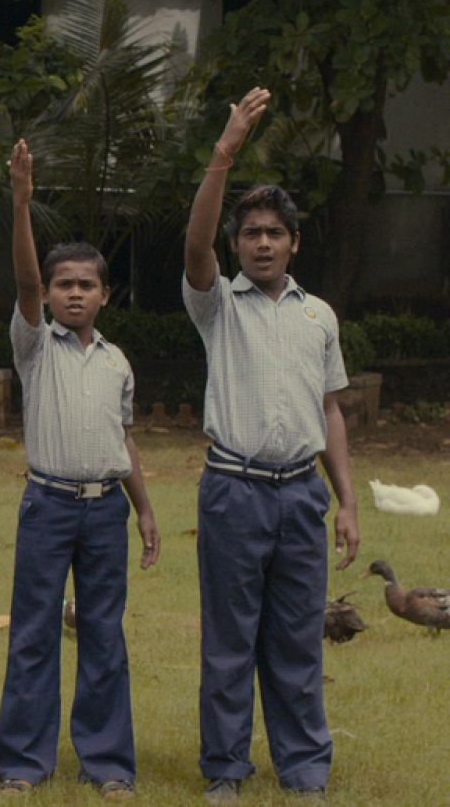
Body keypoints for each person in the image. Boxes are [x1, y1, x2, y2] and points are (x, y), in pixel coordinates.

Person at [182, 87, 359, 802]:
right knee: (229, 643)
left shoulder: (319, 316)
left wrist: (345, 500)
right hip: (234, 493)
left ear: (293, 243)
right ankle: (226, 771)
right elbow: (194, 245)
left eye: (272, 233)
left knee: (295, 640)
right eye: (249, 232)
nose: (260, 242)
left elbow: (331, 411)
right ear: (237, 245)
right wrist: (225, 152)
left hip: (300, 497)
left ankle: (305, 770)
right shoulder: (217, 304)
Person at [0, 139, 160, 801]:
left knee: (102, 634)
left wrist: (143, 508)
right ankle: (23, 764)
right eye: (64, 284)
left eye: (86, 284)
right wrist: (23, 204)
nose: (73, 293)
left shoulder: (117, 361)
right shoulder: (35, 344)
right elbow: (25, 281)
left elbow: (124, 441)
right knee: (34, 633)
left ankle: (108, 761)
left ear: (105, 295)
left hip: (104, 509)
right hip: (49, 505)